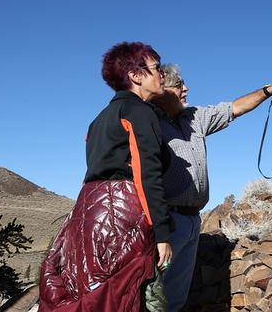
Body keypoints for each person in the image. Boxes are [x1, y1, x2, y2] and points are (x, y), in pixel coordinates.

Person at [150, 64, 272, 312]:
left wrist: (270, 90)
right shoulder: (150, 123)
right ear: (161, 90)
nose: (186, 88)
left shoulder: (195, 118)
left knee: (175, 298)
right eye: (178, 85)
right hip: (167, 222)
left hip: (193, 220)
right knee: (154, 292)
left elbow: (235, 108)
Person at [40, 42, 175, 312]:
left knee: (93, 293)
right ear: (136, 76)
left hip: (86, 215)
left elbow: (92, 171)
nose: (162, 74)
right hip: (122, 216)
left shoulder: (98, 120)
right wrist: (162, 233)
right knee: (132, 295)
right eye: (156, 68)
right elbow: (146, 173)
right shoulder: (139, 112)